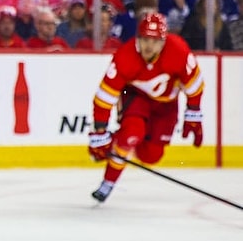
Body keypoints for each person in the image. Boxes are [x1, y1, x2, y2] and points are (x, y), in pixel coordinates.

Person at [88, 13, 205, 202]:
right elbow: (104, 97)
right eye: (145, 39)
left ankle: (120, 141)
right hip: (136, 97)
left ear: (163, 41)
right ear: (138, 38)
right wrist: (100, 132)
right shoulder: (125, 56)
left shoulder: (178, 51)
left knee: (151, 155)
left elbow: (195, 85)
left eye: (155, 40)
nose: (149, 46)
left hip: (166, 105)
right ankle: (108, 182)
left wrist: (193, 113)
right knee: (131, 134)